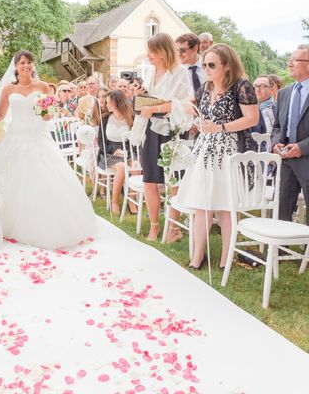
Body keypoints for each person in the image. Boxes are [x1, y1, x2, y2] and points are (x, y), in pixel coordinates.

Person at [0, 50, 98, 248]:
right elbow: (0, 115)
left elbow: (48, 116)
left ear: (33, 65)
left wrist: (46, 108)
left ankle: (47, 224)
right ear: (16, 67)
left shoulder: (43, 86)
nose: (26, 65)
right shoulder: (9, 89)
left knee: (45, 178)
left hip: (38, 139)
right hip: (15, 139)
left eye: (29, 62)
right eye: (22, 62)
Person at [178, 44, 259, 269]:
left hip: (230, 152)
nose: (207, 69)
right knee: (202, 205)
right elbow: (191, 104)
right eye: (204, 65)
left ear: (227, 65)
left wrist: (220, 127)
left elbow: (252, 119)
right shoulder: (205, 87)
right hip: (205, 150)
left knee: (225, 205)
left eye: (211, 65)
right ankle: (197, 256)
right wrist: (192, 113)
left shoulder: (242, 86)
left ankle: (226, 257)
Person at [130, 33, 193, 242]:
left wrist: (155, 107)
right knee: (150, 179)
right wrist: (141, 97)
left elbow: (184, 104)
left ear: (163, 52)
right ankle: (155, 226)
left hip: (172, 129)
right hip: (150, 128)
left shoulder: (180, 72)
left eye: (152, 51)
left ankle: (173, 228)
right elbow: (150, 99)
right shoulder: (151, 72)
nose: (148, 55)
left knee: (173, 180)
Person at [272, 44, 309, 225]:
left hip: (307, 157)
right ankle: (279, 251)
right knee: (283, 209)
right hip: (286, 159)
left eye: (295, 60)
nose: (290, 64)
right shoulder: (284, 93)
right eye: (289, 60)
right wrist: (275, 143)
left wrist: (301, 148)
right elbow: (277, 127)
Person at [97, 90, 135, 215]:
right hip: (108, 153)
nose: (106, 105)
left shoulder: (131, 118)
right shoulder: (105, 119)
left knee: (135, 165)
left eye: (108, 102)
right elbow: (101, 143)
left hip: (127, 150)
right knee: (122, 167)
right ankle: (114, 201)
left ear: (116, 103)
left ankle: (131, 199)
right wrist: (113, 151)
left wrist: (128, 153)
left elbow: (135, 140)